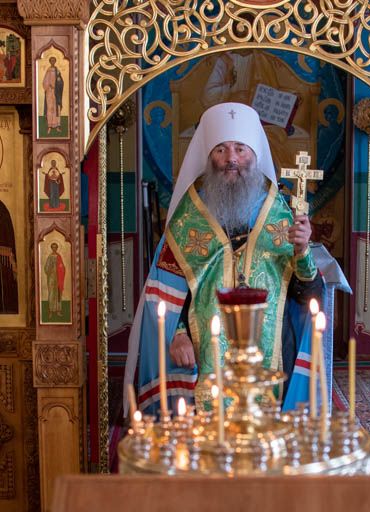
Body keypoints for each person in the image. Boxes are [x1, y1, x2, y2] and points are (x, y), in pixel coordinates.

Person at [125, 102, 323, 413]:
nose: (231, 158)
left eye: (240, 149)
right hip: (206, 355)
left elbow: (308, 294)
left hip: (271, 352)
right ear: (209, 158)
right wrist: (177, 335)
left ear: (254, 155)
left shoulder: (279, 214)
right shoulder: (188, 218)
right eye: (221, 150)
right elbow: (165, 290)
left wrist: (302, 251)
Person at [43, 242, 66, 318]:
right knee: (51, 293)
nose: (54, 249)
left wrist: (61, 268)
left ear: (57, 248)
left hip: (58, 277)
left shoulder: (59, 256)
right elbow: (46, 268)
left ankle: (58, 310)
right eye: (53, 247)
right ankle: (50, 311)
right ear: (51, 248)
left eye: (55, 247)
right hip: (51, 278)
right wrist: (49, 270)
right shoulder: (49, 257)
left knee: (58, 293)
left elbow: (62, 267)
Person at [42, 56, 64, 134]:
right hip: (49, 92)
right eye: (51, 60)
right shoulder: (48, 70)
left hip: (56, 92)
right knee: (50, 108)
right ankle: (49, 126)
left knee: (56, 108)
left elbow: (61, 82)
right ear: (49, 62)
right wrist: (49, 86)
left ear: (55, 61)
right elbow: (44, 82)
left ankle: (57, 125)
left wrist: (59, 81)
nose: (52, 62)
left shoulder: (57, 71)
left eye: (54, 60)